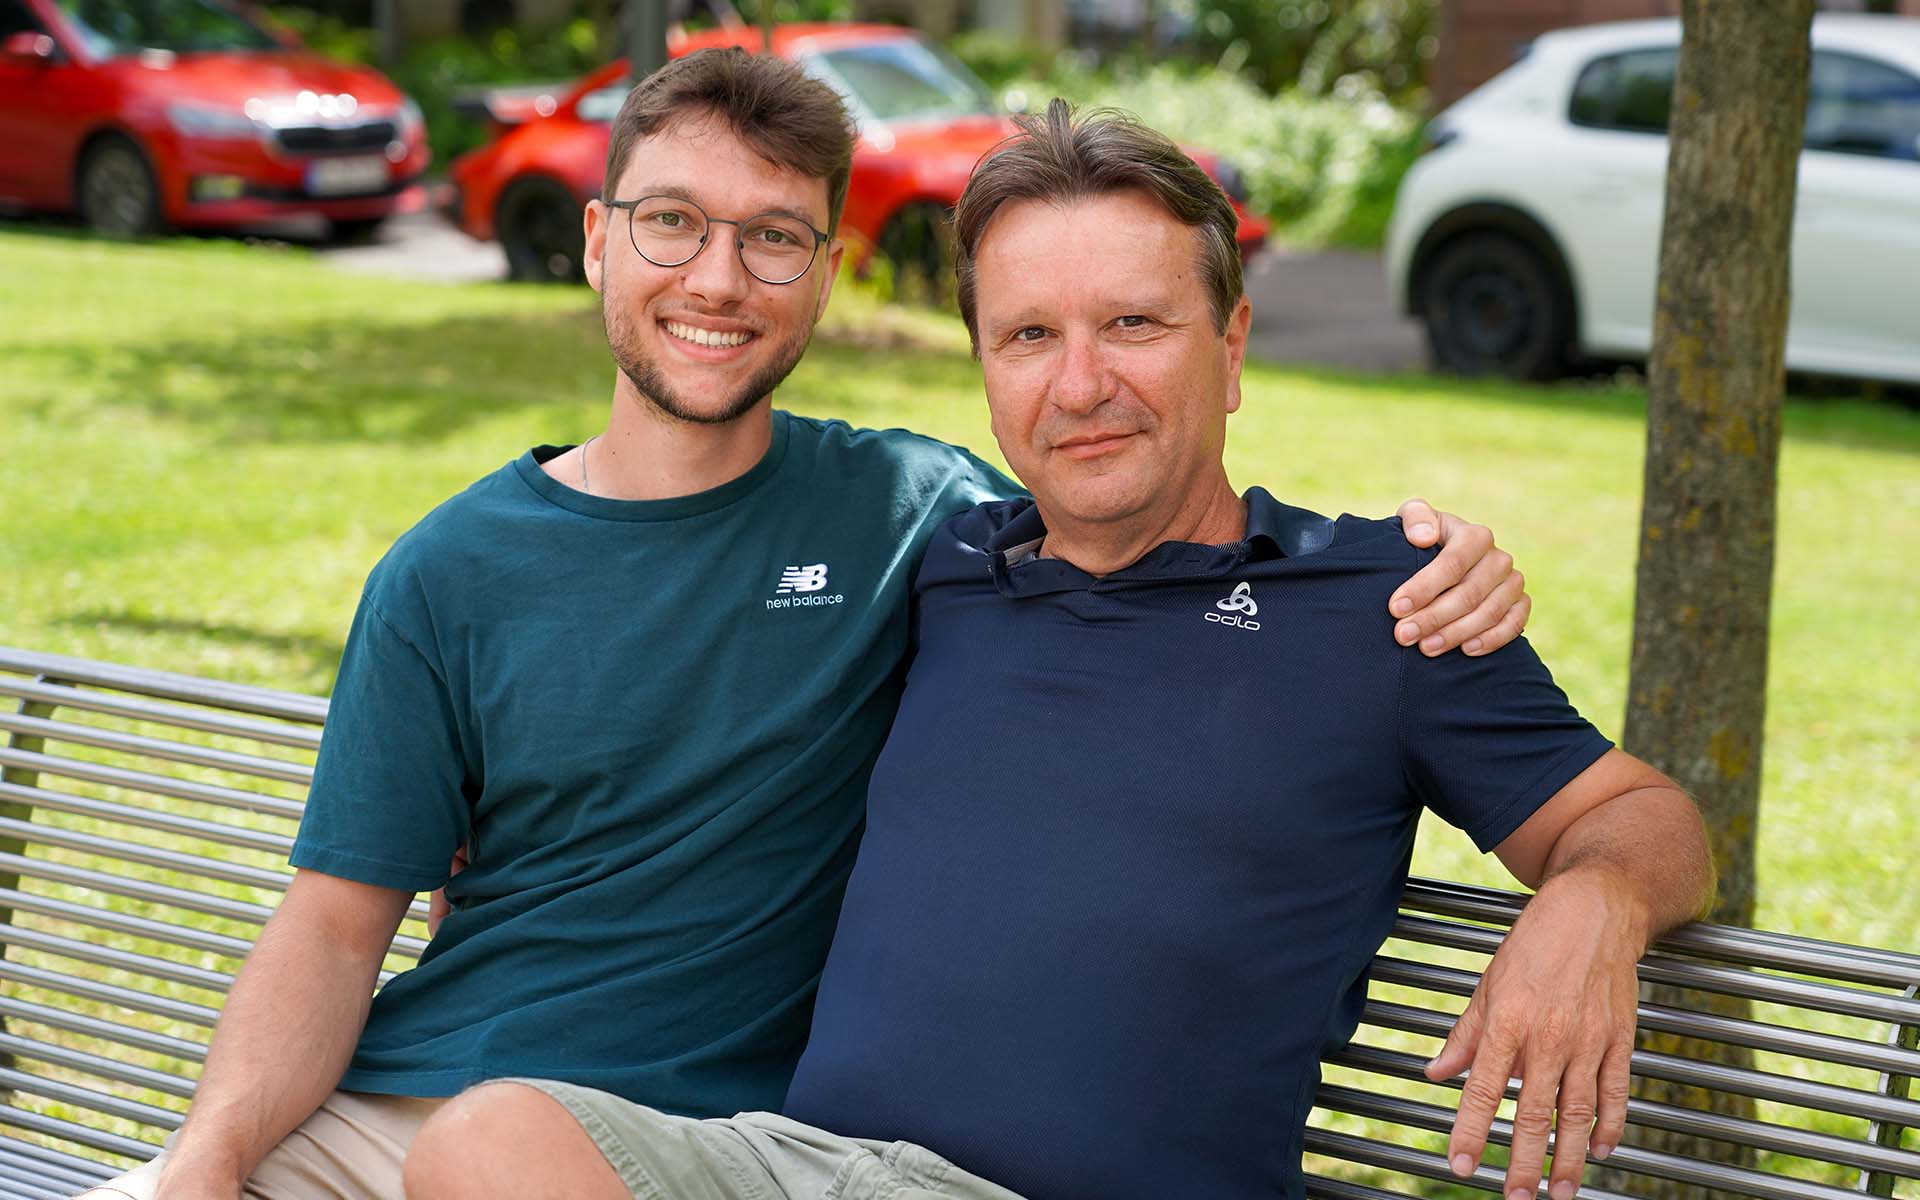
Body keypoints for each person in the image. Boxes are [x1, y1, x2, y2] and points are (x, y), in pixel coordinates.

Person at [80, 58, 1529, 1200]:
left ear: (825, 272)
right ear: (596, 243)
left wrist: (1431, 563)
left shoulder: (919, 520)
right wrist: (201, 1168)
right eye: (672, 225)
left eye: (772, 238)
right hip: (417, 1120)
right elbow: (336, 933)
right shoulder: (450, 574)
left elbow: (1143, 496)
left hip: (696, 1152)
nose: (717, 281)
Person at [398, 101, 1716, 1200]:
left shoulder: (1382, 607)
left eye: (1134, 325)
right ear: (984, 366)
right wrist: (484, 796)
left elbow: (1645, 818)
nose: (1079, 385)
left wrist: (1593, 901)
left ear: (1234, 346)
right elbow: (685, 635)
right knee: (486, 1146)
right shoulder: (940, 567)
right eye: (1030, 336)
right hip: (803, 1168)